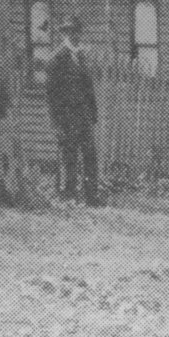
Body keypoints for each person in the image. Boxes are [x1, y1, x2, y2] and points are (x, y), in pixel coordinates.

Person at [46, 15, 99, 205]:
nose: (74, 35)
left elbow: (89, 88)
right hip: (67, 117)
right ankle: (68, 196)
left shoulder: (82, 56)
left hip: (84, 115)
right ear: (64, 34)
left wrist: (93, 115)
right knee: (69, 157)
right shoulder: (56, 59)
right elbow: (52, 97)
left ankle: (91, 196)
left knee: (90, 155)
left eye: (77, 31)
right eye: (69, 31)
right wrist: (56, 124)